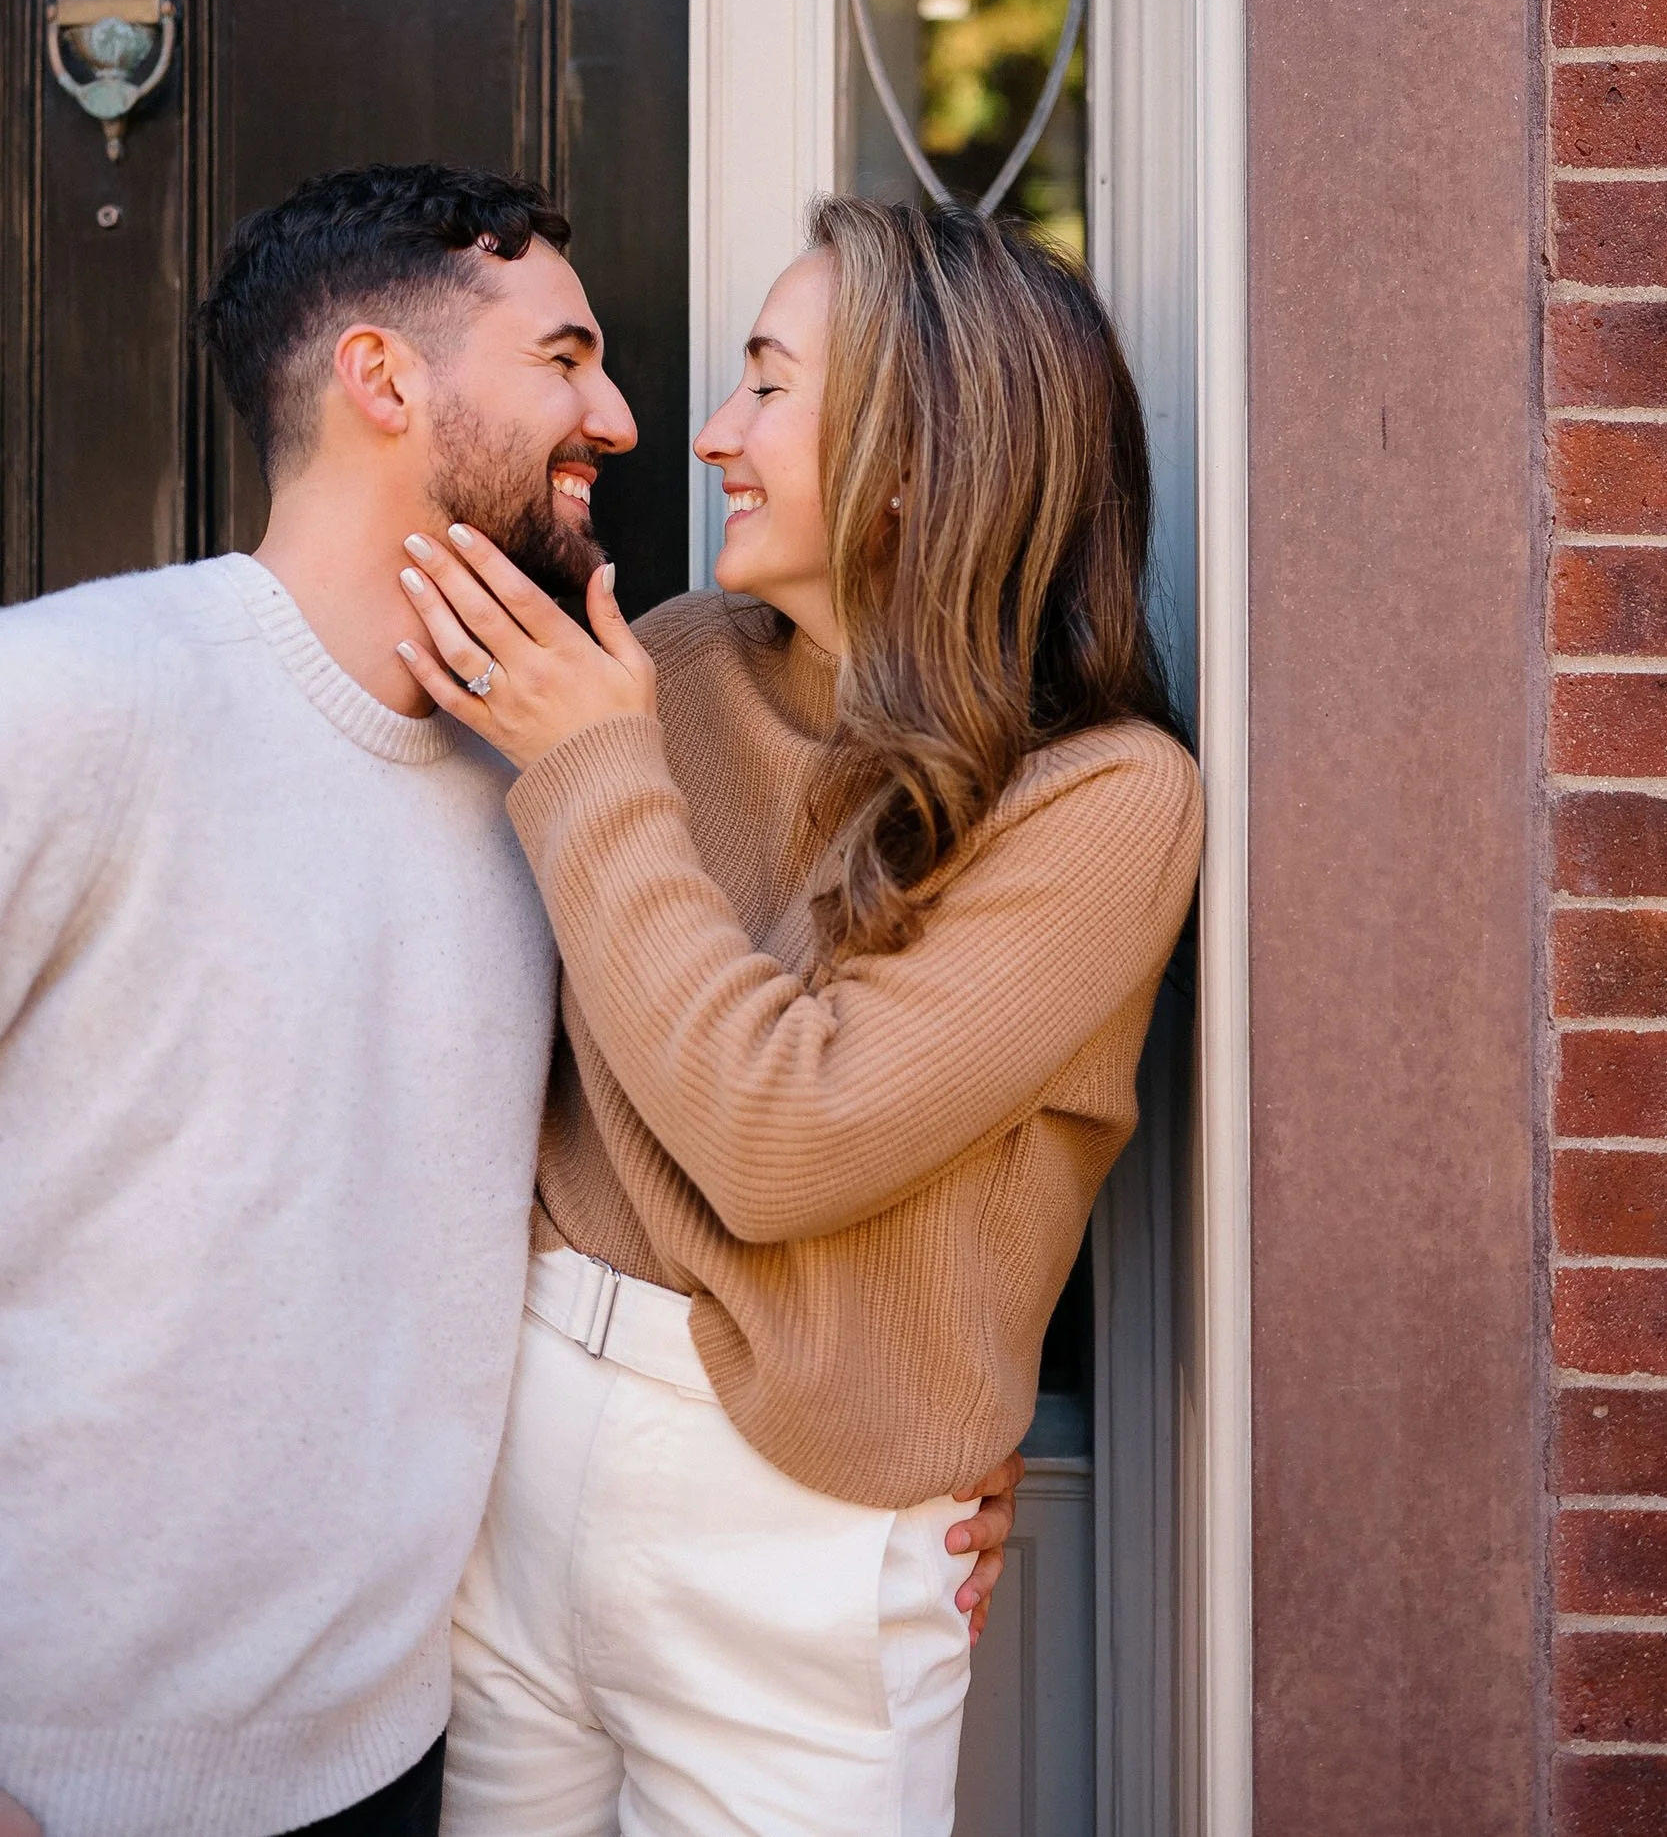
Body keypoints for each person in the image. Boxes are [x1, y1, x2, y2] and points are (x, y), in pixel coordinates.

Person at [0, 163, 1013, 1837]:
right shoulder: (71, 698)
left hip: (405, 1756)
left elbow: (672, 1146)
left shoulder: (558, 776)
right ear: (384, 380)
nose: (621, 417)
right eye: (566, 357)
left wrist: (930, 1407)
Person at [395, 196, 1205, 1837]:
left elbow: (784, 1143)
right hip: (515, 1448)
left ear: (917, 453)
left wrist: (592, 768)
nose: (708, 436)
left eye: (766, 383)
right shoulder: (670, 669)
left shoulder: (1105, 800)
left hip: (795, 1530)